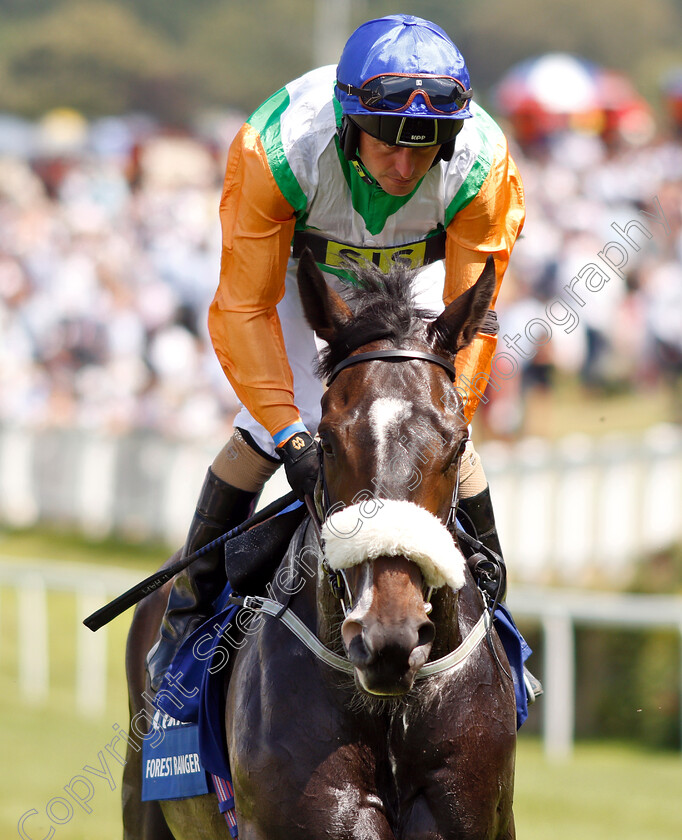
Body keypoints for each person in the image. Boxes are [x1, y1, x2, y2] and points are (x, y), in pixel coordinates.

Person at [147, 14, 529, 693]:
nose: (405, 166)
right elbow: (244, 308)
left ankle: (498, 619)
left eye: (426, 148)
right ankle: (185, 619)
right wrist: (294, 437)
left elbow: (477, 315)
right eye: (387, 145)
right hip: (304, 279)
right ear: (349, 124)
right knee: (265, 427)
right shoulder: (279, 148)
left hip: (416, 279)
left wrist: (449, 417)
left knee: (439, 430)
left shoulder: (483, 164)